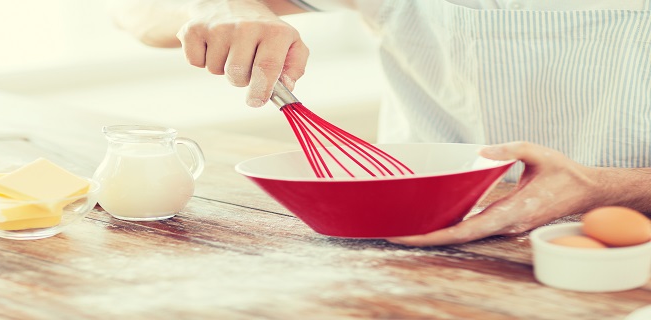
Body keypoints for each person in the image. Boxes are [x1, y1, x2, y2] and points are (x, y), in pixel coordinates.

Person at [108, 0, 651, 246]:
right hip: (406, 239)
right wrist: (218, 5)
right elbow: (133, 9)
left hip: (625, 254)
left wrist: (605, 188)